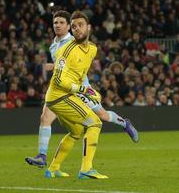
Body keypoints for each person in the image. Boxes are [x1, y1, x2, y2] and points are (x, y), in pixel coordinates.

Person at [25, 10, 138, 169]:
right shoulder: (54, 44)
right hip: (62, 89)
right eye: (55, 22)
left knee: (102, 116)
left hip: (79, 88)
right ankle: (42, 156)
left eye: (61, 23)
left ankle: (124, 123)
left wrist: (84, 88)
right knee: (45, 117)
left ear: (68, 27)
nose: (58, 25)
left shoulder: (74, 41)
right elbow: (61, 69)